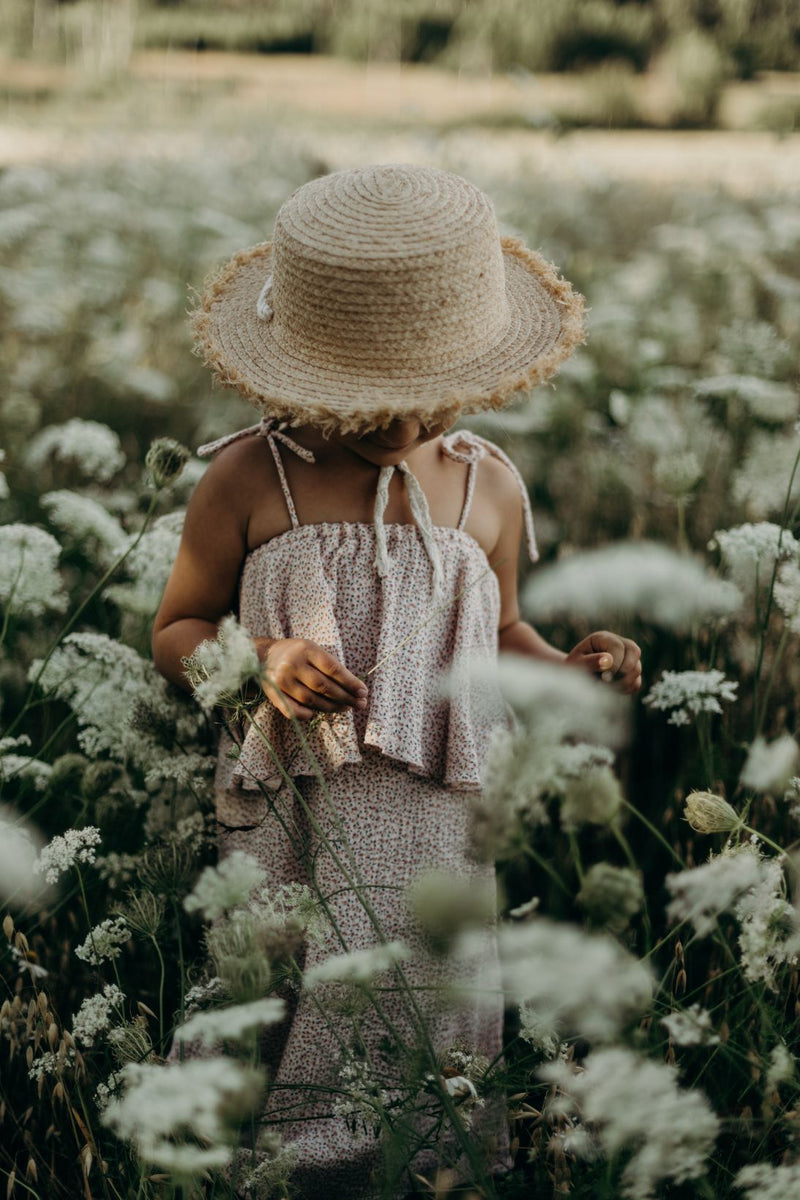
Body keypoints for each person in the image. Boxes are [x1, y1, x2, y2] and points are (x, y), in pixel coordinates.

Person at [152, 163, 641, 1200]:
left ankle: (421, 1164)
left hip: (436, 818)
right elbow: (177, 626)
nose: (393, 424)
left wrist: (567, 666)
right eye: (359, 396)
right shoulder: (249, 476)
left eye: (420, 394)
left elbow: (496, 625)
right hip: (295, 806)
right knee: (274, 988)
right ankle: (252, 1163)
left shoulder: (484, 482)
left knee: (421, 996)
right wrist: (258, 661)